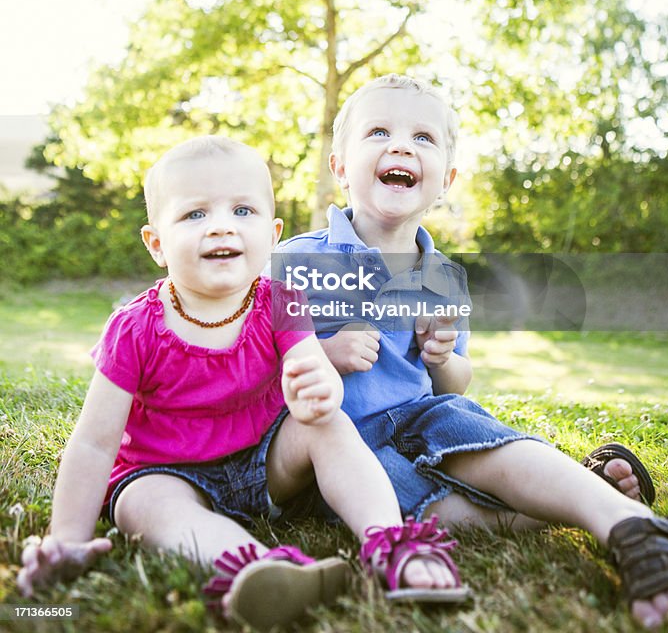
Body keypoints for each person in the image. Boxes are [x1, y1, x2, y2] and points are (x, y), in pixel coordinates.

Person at [276, 74, 668, 629]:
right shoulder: (297, 259)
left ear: (445, 178)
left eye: (422, 137)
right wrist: (325, 350)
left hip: (425, 416)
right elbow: (257, 361)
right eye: (378, 131)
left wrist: (441, 355)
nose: (400, 146)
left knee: (479, 437)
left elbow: (455, 384)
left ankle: (628, 524)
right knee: (432, 510)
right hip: (346, 447)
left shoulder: (443, 276)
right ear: (340, 167)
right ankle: (575, 493)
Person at [17, 135, 471, 631]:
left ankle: (390, 541)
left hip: (264, 463)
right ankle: (261, 567)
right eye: (194, 215)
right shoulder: (135, 328)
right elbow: (93, 443)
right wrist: (67, 537)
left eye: (242, 210)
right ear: (156, 244)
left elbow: (319, 381)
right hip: (167, 473)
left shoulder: (282, 301)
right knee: (143, 506)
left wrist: (316, 388)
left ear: (272, 234)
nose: (220, 227)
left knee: (328, 424)